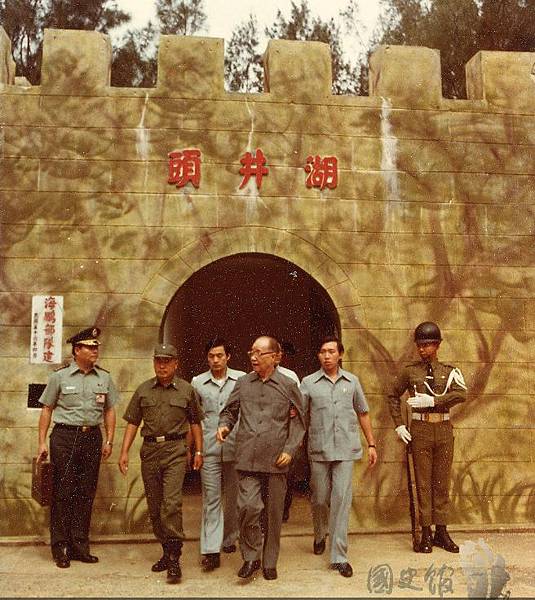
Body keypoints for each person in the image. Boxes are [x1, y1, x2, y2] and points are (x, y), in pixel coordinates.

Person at [217, 336, 305, 581]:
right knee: (248, 507)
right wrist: (224, 425)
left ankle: (269, 561)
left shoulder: (288, 385)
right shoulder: (243, 383)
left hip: (277, 459)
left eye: (259, 353)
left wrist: (290, 449)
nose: (253, 357)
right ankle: (251, 556)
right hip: (247, 457)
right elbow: (230, 411)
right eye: (251, 352)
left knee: (273, 514)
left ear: (275, 357)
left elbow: (299, 422)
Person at [118, 343, 204, 583]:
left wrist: (198, 451)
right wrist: (124, 451)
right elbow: (133, 422)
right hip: (150, 452)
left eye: (167, 361)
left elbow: (195, 423)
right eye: (158, 361)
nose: (162, 366)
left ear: (176, 364)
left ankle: (174, 559)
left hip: (176, 450)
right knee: (155, 507)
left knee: (171, 504)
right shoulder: (143, 390)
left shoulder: (186, 390)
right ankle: (166, 552)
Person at [36, 327, 119, 568]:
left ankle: (79, 546)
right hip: (64, 437)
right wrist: (41, 442)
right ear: (77, 350)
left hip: (91, 437)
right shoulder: (59, 377)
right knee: (63, 491)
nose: (95, 351)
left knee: (85, 491)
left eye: (96, 347)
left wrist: (109, 439)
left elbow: (110, 410)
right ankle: (60, 547)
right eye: (90, 347)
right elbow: (47, 409)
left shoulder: (104, 378)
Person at [300, 336, 377, 578]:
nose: (327, 356)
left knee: (341, 500)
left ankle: (339, 556)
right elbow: (300, 415)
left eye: (331, 351)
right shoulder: (308, 383)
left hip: (345, 449)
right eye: (323, 351)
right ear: (318, 355)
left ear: (340, 354)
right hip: (319, 449)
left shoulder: (352, 382)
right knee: (320, 498)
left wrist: (371, 443)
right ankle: (320, 532)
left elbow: (363, 413)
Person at [387, 321, 467, 553]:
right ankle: (425, 533)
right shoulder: (410, 372)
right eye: (420, 345)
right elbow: (392, 395)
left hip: (443, 428)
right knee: (423, 483)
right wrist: (399, 425)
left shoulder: (449, 372)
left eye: (428, 344)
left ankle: (441, 531)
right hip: (420, 429)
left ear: (438, 345)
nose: (423, 349)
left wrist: (433, 401)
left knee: (441, 482)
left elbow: (461, 394)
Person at [191, 338, 246, 572]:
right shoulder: (197, 383)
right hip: (209, 448)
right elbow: (194, 417)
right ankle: (211, 550)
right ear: (207, 358)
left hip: (236, 448)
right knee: (211, 498)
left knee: (234, 498)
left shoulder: (242, 379)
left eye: (220, 356)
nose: (215, 360)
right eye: (211, 356)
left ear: (228, 357)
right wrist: (196, 449)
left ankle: (230, 538)